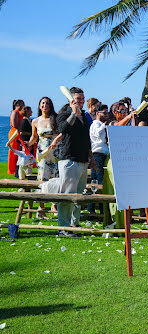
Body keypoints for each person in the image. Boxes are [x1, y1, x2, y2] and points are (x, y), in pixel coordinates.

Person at [55, 87, 92, 237]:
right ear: (71, 100)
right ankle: (63, 227)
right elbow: (63, 129)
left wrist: (90, 156)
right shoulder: (63, 115)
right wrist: (72, 114)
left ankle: (74, 223)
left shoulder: (85, 115)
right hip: (69, 159)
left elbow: (86, 137)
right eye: (78, 99)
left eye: (83, 99)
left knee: (79, 195)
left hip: (83, 159)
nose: (81, 101)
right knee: (67, 195)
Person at [28, 97, 60, 219]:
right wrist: (27, 144)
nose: (45, 105)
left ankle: (54, 205)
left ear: (51, 105)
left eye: (47, 103)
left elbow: (60, 134)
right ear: (39, 106)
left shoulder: (55, 119)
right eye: (42, 103)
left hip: (55, 152)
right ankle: (41, 207)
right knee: (42, 178)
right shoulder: (35, 121)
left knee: (55, 178)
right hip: (42, 153)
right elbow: (34, 137)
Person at [88, 104, 109, 214]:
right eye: (104, 113)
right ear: (97, 114)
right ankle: (100, 210)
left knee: (96, 182)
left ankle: (93, 209)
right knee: (99, 182)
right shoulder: (96, 124)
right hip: (97, 154)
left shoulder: (100, 124)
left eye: (107, 113)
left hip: (102, 154)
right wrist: (104, 125)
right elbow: (100, 136)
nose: (106, 115)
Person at [8, 99, 25, 176]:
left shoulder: (20, 113)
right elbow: (15, 124)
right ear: (18, 105)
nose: (24, 105)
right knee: (14, 150)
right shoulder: (15, 112)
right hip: (15, 133)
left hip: (19, 133)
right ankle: (13, 169)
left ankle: (18, 169)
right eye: (22, 104)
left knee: (20, 150)